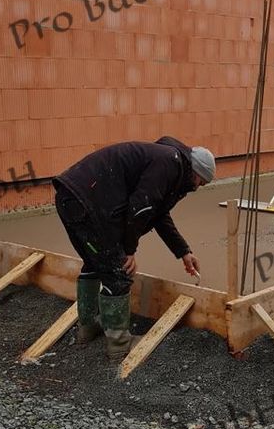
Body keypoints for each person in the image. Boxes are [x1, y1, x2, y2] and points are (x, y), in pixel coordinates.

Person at [53, 137, 215, 362]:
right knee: (119, 272)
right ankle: (119, 343)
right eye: (201, 182)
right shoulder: (169, 163)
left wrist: (183, 251)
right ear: (196, 172)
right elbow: (141, 208)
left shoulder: (166, 160)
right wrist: (129, 250)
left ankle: (88, 327)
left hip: (71, 196)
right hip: (88, 203)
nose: (197, 188)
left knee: (95, 263)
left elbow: (158, 214)